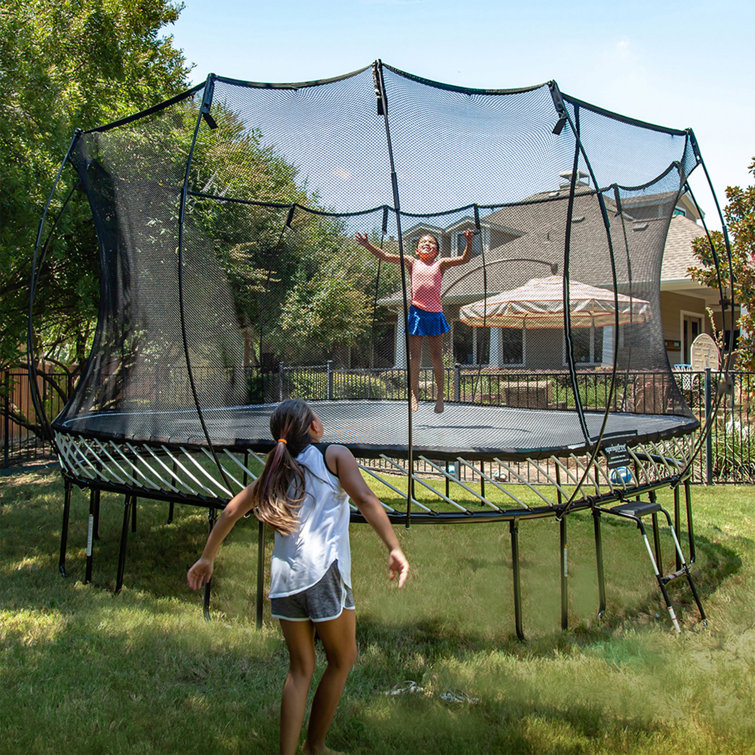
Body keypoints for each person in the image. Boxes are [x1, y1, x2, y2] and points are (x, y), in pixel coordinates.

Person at [187, 399, 409, 755]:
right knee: (343, 658)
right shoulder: (333, 455)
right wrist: (394, 547)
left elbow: (231, 510)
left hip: (284, 584)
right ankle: (315, 746)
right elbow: (365, 498)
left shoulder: (275, 473)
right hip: (323, 575)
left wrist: (206, 557)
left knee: (300, 669)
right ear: (315, 427)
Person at [355, 228, 475, 412]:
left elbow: (464, 259)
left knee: (437, 357)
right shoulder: (411, 262)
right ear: (417, 250)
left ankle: (440, 397)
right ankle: (413, 394)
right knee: (414, 356)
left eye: (432, 243)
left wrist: (468, 242)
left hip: (435, 314)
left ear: (436, 251)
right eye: (423, 242)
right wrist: (367, 245)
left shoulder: (440, 264)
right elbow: (386, 255)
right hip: (417, 313)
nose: (427, 244)